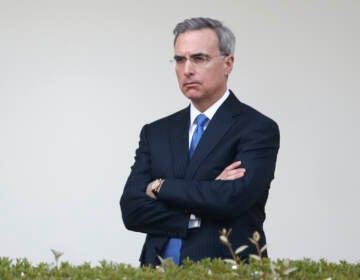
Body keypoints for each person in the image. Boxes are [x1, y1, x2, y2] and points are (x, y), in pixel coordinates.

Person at [120, 17, 280, 266]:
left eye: (199, 58)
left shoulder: (257, 128)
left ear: (228, 64)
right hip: (156, 270)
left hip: (226, 270)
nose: (187, 70)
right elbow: (132, 210)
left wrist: (161, 186)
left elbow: (232, 199)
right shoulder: (156, 132)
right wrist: (204, 198)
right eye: (180, 59)